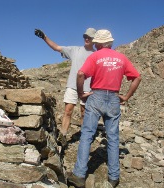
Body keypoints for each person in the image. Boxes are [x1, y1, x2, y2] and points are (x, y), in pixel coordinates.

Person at [67, 29, 141, 188]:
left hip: (96, 96)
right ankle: (114, 177)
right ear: (110, 42)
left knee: (87, 134)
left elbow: (80, 74)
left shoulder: (95, 56)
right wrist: (126, 97)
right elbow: (137, 77)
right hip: (114, 97)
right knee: (113, 137)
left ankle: (79, 175)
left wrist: (81, 94)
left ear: (98, 43)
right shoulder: (121, 57)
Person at [35, 28, 96, 147]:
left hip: (88, 88)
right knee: (68, 111)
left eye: (89, 37)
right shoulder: (75, 50)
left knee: (84, 113)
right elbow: (57, 48)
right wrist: (44, 37)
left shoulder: (96, 55)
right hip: (73, 85)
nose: (86, 38)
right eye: (85, 36)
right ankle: (62, 136)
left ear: (94, 40)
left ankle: (84, 137)